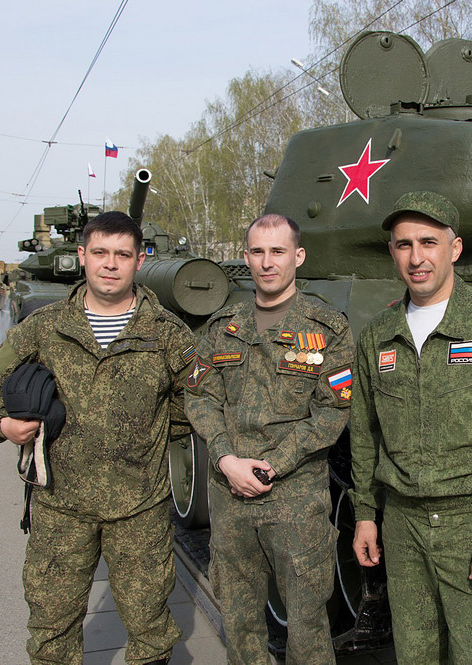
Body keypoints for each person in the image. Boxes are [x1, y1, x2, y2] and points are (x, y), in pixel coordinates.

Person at [0, 211, 197, 665]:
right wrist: (3, 425)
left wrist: (141, 444)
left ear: (138, 261)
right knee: (52, 629)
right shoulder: (42, 327)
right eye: (100, 253)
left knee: (151, 630)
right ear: (82, 257)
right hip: (59, 508)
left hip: (140, 510)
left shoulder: (169, 334)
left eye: (122, 255)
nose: (110, 264)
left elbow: (192, 406)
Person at [350, 191, 472, 664]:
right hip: (403, 525)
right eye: (404, 244)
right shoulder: (378, 333)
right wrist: (366, 514)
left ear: (454, 249)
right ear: (392, 252)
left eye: (428, 242)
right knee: (415, 655)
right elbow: (365, 433)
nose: (417, 258)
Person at [185, 214, 353, 664]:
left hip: (295, 499)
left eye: (277, 251)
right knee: (239, 622)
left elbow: (333, 409)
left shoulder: (328, 328)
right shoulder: (222, 327)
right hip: (230, 496)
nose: (267, 262)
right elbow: (199, 399)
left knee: (308, 627)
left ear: (297, 256)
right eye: (257, 252)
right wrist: (225, 459)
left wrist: (274, 463)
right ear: (246, 258)